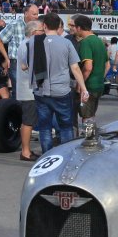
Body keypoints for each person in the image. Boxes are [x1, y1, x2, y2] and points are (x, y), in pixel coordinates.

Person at [27, 13, 86, 153]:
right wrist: (83, 88)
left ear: (44, 25)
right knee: (66, 126)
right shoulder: (66, 43)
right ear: (59, 26)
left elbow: (26, 64)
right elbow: (75, 68)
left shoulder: (33, 42)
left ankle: (47, 155)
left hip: (41, 89)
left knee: (44, 127)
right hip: (61, 90)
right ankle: (65, 155)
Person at [12, 7, 43, 159]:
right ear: (33, 32)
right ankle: (25, 151)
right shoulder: (28, 45)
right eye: (41, 30)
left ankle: (26, 150)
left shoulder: (26, 44)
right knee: (28, 121)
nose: (43, 33)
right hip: (28, 90)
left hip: (27, 88)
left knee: (28, 121)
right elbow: (29, 66)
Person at [72, 14, 108, 121]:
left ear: (79, 28)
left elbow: (88, 67)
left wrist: (80, 84)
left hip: (89, 85)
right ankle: (91, 131)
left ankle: (88, 132)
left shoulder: (85, 42)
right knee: (91, 114)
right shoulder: (99, 41)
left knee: (86, 116)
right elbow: (107, 65)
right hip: (99, 84)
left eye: (74, 27)